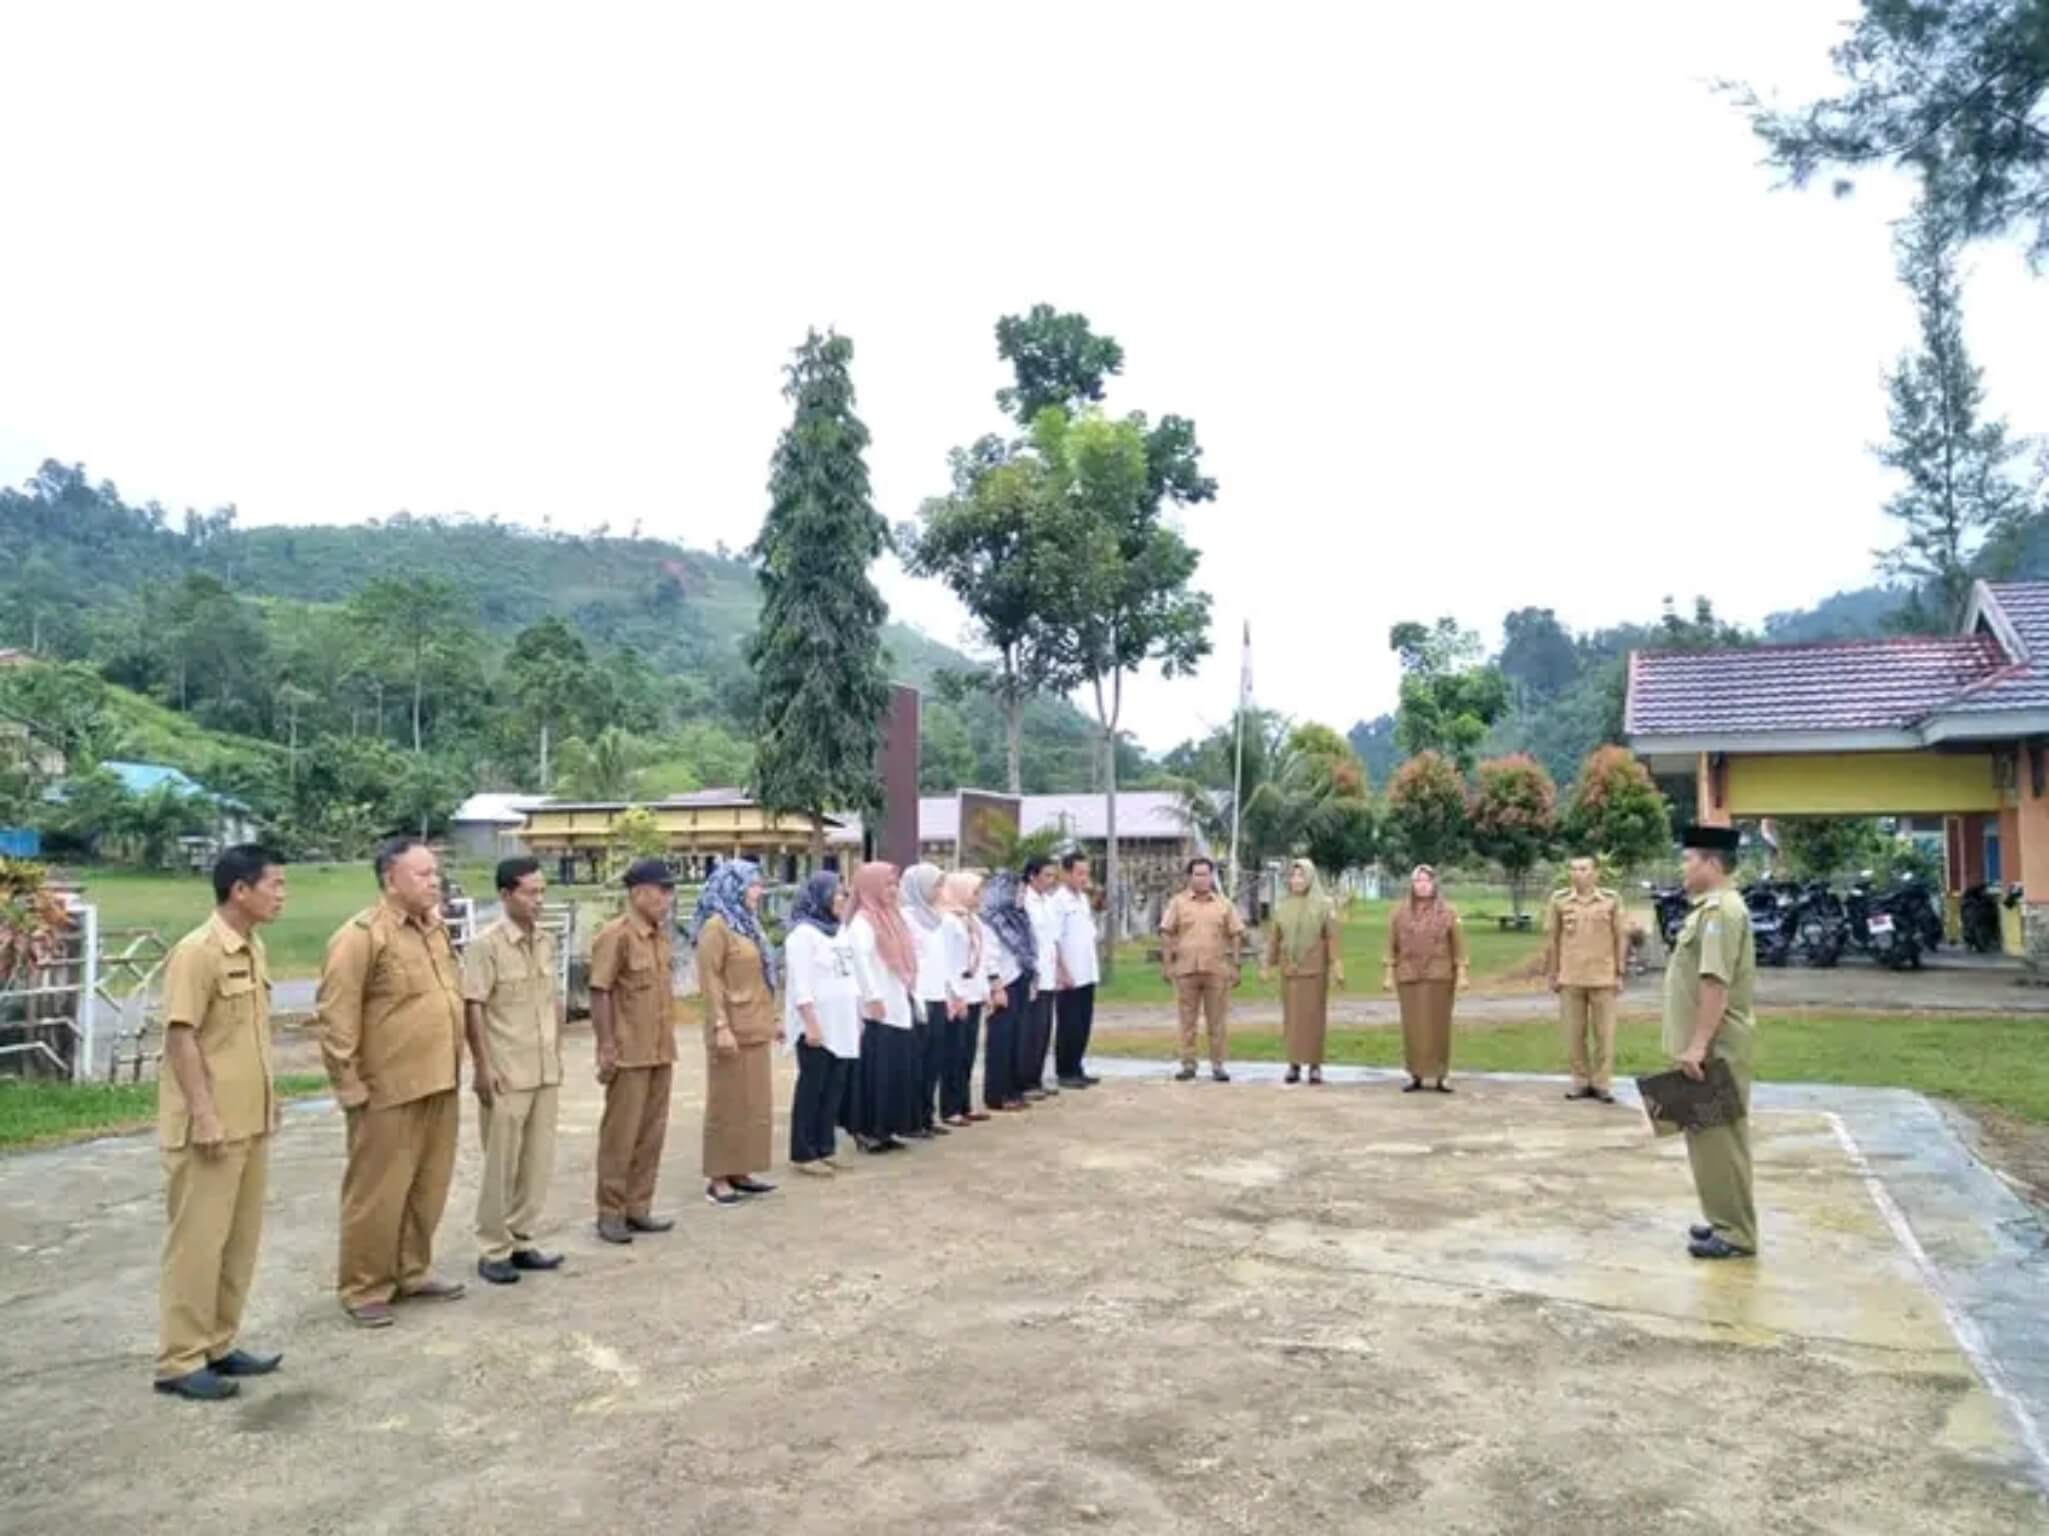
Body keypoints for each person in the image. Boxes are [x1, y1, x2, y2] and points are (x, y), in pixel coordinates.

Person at [154, 845, 287, 1401]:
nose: (282, 895)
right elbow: (181, 1037)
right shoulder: (198, 952)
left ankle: (219, 1342)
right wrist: (204, 1113)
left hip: (248, 1122)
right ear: (240, 890)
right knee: (197, 1245)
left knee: (238, 1243)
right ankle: (179, 1359)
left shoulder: (252, 947)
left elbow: (246, 1037)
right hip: (210, 1127)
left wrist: (269, 1097)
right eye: (274, 885)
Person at [318, 837, 468, 1328]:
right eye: (422, 875)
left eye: (435, 873)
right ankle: (364, 1287)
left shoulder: (434, 929)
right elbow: (337, 1017)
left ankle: (412, 1270)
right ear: (390, 880)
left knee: (429, 1185)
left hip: (438, 1080)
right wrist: (349, 1085)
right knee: (377, 1193)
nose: (434, 882)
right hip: (387, 1088)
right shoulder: (362, 936)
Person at [463, 857, 564, 1287]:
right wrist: (482, 1068)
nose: (538, 900)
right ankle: (493, 1248)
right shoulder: (485, 946)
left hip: (543, 1069)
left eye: (542, 891)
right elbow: (473, 1007)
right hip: (506, 1070)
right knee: (499, 1165)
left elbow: (550, 999)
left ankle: (521, 1239)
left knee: (536, 1162)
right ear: (505, 895)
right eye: (529, 892)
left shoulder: (545, 941)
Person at [1665, 825, 1759, 1261]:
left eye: (1689, 859)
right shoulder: (1712, 909)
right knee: (1709, 1139)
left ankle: (1735, 1233)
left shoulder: (1720, 912)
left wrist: (1698, 1045)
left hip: (1714, 1047)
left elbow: (1714, 984)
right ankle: (1724, 1219)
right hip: (1710, 1045)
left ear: (1711, 863)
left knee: (1719, 1140)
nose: (1682, 867)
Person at [588, 859, 679, 1244]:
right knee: (620, 1136)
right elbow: (600, 990)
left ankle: (638, 1207)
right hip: (629, 1051)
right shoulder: (617, 935)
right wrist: (606, 1044)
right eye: (661, 891)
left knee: (651, 1134)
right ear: (638, 892)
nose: (667, 899)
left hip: (660, 1049)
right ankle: (610, 1212)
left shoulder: (659, 936)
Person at [695, 860, 782, 1207]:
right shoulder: (716, 927)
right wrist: (720, 1025)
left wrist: (772, 1018)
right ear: (732, 886)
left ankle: (741, 1169)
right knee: (727, 1103)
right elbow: (710, 979)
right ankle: (718, 1177)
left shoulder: (747, 925)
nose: (758, 892)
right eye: (752, 885)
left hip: (755, 1025)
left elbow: (762, 976)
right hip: (730, 1027)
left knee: (754, 1103)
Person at [783, 872, 858, 1176]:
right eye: (838, 894)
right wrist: (811, 1023)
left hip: (841, 1022)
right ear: (822, 897)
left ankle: (824, 1146)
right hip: (816, 1025)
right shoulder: (802, 935)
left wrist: (856, 1016)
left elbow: (849, 976)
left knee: (834, 1088)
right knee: (812, 1088)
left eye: (845, 894)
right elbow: (801, 985)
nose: (843, 900)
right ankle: (803, 1152)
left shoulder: (839, 931)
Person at [845, 861, 921, 1152]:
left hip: (897, 1003)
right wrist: (872, 997)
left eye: (895, 884)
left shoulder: (893, 917)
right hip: (876, 1009)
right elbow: (861, 964)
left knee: (896, 1070)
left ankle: (887, 1129)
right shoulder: (863, 921)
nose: (892, 890)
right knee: (875, 1072)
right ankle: (867, 1130)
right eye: (887, 885)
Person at [1545, 855, 1630, 1105]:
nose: (1577, 873)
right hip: (1571, 976)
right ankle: (1580, 1082)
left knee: (1605, 1035)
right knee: (1574, 1034)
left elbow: (1620, 936)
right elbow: (1552, 939)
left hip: (1603, 977)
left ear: (1595, 873)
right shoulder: (1559, 901)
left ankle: (1602, 1083)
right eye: (1573, 869)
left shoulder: (1611, 900)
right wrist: (1553, 972)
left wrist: (1620, 972)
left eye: (1583, 869)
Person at [1159, 857, 1246, 1083]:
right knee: (1187, 1020)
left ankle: (1218, 1065)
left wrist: (1236, 965)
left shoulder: (1223, 904)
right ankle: (1188, 1064)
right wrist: (1167, 964)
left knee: (1217, 1021)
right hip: (1186, 970)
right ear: (1190, 877)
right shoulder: (1178, 903)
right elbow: (1167, 932)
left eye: (1206, 874)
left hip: (1216, 970)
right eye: (1197, 874)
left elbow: (1236, 934)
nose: (1202, 879)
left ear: (1212, 876)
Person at [1382, 864, 1468, 1094]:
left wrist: (1462, 974)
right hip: (1409, 976)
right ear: (1412, 885)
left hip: (1439, 976)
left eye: (1426, 881)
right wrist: (1388, 974)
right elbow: (1391, 946)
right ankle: (1416, 1074)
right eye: (1417, 881)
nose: (1422, 885)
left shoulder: (1448, 912)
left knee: (1438, 1026)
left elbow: (1458, 946)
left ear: (1434, 884)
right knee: (1413, 1027)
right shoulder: (1399, 913)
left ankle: (1441, 1075)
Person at [1264, 858, 1343, 1085]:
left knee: (1314, 1019)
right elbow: (1274, 938)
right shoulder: (1283, 906)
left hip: (1314, 970)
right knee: (1292, 1019)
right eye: (1293, 876)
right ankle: (1294, 1064)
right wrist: (1268, 965)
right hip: (1290, 970)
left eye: (1301, 876)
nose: (1296, 880)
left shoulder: (1324, 905)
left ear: (1310, 877)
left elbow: (1331, 937)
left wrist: (1337, 965)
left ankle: (1315, 1066)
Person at [901, 862, 960, 1137]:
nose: (939, 890)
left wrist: (950, 993)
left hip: (937, 996)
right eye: (935, 885)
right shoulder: (906, 918)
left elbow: (944, 961)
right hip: (918, 999)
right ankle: (911, 1119)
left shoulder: (938, 919)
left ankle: (926, 1116)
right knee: (916, 1063)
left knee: (933, 1061)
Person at [979, 870, 1038, 1114]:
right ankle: (997, 1094)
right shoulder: (992, 920)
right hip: (1003, 984)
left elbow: (1027, 951)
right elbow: (990, 957)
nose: (1022, 895)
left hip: (1020, 980)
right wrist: (996, 985)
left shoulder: (1019, 917)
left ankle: (1014, 1089)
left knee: (1018, 1038)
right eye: (1018, 890)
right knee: (1001, 1041)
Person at [940, 870, 994, 1129]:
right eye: (975, 892)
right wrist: (956, 995)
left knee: (968, 1054)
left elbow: (980, 959)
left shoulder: (974, 920)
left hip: (973, 994)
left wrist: (985, 991)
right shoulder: (949, 921)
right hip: (957, 997)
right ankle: (949, 1108)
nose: (979, 897)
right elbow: (948, 962)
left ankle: (964, 1104)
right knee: (953, 1053)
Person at [1051, 852, 1101, 1088]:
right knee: (1068, 1025)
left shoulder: (1082, 899)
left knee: (1083, 1023)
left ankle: (1077, 1067)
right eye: (1080, 873)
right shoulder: (1058, 901)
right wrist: (1062, 971)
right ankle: (1065, 1071)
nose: (1084, 878)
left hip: (1087, 972)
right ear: (1066, 873)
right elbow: (1055, 940)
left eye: (1086, 873)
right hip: (1069, 975)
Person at [1018, 858, 1062, 1100]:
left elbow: (1052, 940)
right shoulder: (1024, 902)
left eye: (1053, 876)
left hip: (1048, 974)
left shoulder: (1048, 902)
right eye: (1046, 875)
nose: (1051, 881)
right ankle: (1024, 1080)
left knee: (1044, 1030)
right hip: (1032, 975)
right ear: (1032, 876)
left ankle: (1036, 1077)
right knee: (1030, 1031)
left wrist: (1058, 971)